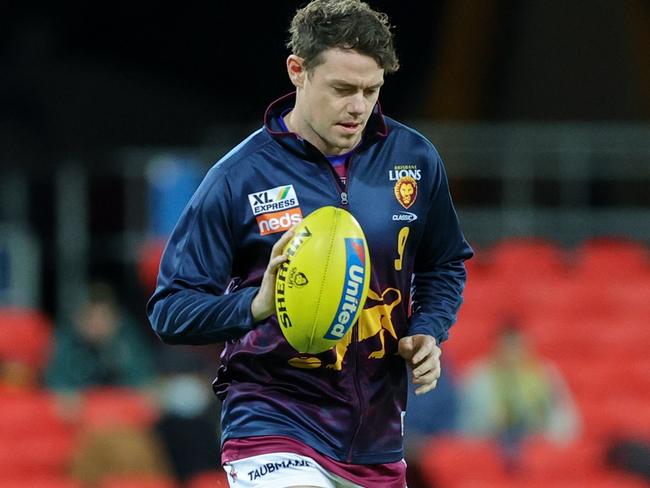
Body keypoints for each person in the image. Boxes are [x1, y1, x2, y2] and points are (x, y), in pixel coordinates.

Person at [147, 1, 473, 487]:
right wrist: (254, 305)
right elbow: (170, 310)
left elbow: (444, 264)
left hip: (377, 437)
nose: (359, 106)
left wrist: (428, 328)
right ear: (297, 71)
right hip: (272, 421)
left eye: (372, 89)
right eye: (342, 89)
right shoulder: (238, 178)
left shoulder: (414, 157)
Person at [457, 323, 580, 470]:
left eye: (517, 347)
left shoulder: (544, 374)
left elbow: (565, 421)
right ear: (496, 347)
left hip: (538, 447)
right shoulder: (477, 376)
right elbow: (465, 424)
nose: (512, 353)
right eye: (507, 347)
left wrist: (541, 435)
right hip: (490, 448)